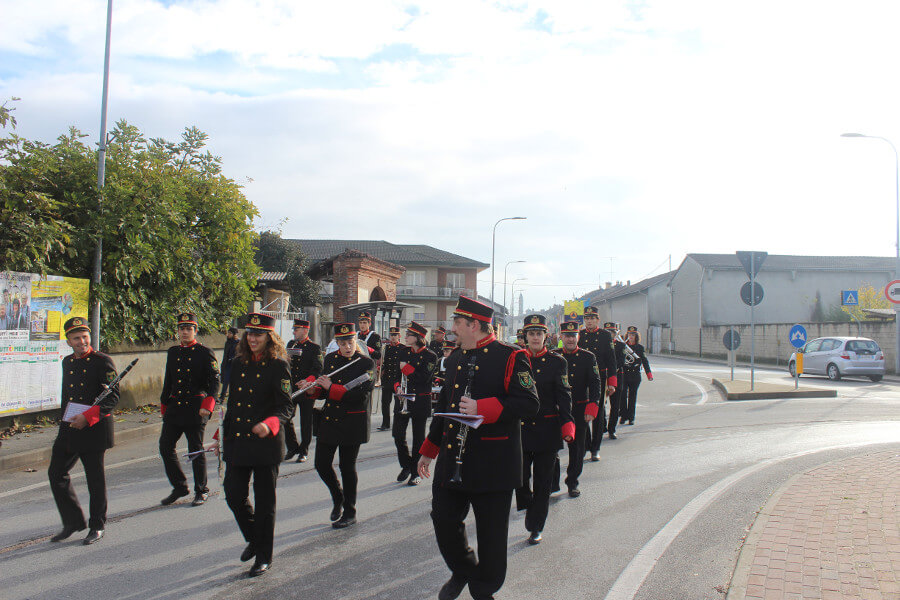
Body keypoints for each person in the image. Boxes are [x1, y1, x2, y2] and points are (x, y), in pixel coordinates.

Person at [417, 296, 539, 600]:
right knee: (444, 519)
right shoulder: (456, 357)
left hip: (493, 462)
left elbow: (529, 403)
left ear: (474, 324)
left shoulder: (511, 356)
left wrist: (483, 408)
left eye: (457, 323)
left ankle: (484, 589)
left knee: (491, 536)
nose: (452, 328)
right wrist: (428, 450)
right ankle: (464, 569)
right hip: (453, 459)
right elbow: (445, 407)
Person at [220, 312, 292, 577]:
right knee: (233, 494)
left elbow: (286, 407)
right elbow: (233, 405)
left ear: (269, 337)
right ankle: (254, 537)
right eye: (249, 333)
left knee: (265, 504)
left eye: (258, 334)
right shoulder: (238, 363)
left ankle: (264, 556)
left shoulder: (278, 366)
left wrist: (269, 424)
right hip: (238, 440)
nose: (252, 338)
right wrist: (221, 436)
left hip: (266, 443)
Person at [47, 317, 119, 546]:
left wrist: (87, 418)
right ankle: (73, 522)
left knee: (94, 480)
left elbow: (114, 397)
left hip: (94, 428)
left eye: (85, 336)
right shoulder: (67, 362)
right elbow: (66, 396)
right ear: (68, 341)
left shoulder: (102, 361)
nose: (82, 341)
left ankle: (97, 525)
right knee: (56, 473)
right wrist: (65, 422)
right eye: (76, 338)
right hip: (70, 427)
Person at [309, 322, 376, 529]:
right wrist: (312, 388)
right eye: (343, 342)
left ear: (356, 341)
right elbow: (323, 387)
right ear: (336, 343)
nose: (347, 346)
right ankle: (338, 497)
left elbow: (361, 394)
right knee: (321, 463)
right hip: (330, 419)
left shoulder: (366, 364)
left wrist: (331, 388)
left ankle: (350, 511)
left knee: (348, 467)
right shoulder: (330, 359)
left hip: (352, 420)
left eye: (350, 341)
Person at [515, 314, 574, 545]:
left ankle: (536, 526)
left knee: (543, 482)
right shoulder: (516, 359)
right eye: (531, 333)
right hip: (520, 429)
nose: (536, 337)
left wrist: (567, 425)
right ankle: (527, 504)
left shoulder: (557, 362)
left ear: (546, 336)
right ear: (525, 336)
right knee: (519, 477)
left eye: (539, 333)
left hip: (547, 430)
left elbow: (564, 394)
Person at [159, 313, 220, 507]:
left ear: (195, 331)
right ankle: (179, 486)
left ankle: (201, 490)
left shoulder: (205, 352)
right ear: (177, 331)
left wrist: (208, 405)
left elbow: (214, 381)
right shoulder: (173, 352)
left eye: (189, 329)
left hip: (195, 407)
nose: (185, 332)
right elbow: (168, 380)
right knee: (165, 447)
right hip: (175, 407)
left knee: (195, 450)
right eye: (181, 329)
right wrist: (164, 403)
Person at [555, 321, 601, 496]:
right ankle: (552, 482)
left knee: (578, 449)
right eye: (567, 336)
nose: (570, 339)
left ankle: (572, 481)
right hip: (558, 409)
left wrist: (593, 404)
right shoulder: (555, 356)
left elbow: (595, 383)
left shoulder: (588, 357)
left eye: (573, 336)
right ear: (561, 337)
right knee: (553, 448)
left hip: (579, 409)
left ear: (578, 337)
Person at [393, 321, 437, 486]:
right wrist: (397, 388)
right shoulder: (403, 352)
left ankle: (415, 473)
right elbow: (396, 376)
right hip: (403, 399)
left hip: (420, 400)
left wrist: (407, 368)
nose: (406, 337)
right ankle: (407, 465)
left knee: (418, 438)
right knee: (397, 435)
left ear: (419, 338)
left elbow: (423, 378)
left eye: (409, 335)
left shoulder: (430, 356)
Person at [578, 306, 617, 461]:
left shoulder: (605, 335)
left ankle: (595, 448)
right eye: (587, 319)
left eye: (592, 318)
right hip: (582, 378)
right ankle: (586, 443)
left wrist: (612, 383)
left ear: (597, 320)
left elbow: (612, 360)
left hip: (599, 378)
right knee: (582, 411)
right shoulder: (579, 335)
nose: (589, 321)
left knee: (599, 414)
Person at [284, 319, 324, 463]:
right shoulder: (291, 345)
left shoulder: (314, 347)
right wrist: (285, 360)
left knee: (306, 421)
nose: (294, 332)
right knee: (286, 417)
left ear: (305, 330)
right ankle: (292, 447)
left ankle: (304, 450)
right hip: (292, 388)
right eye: (294, 329)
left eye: (297, 329)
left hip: (307, 389)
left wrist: (308, 381)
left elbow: (318, 368)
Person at [620, 326, 653, 426]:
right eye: (629, 334)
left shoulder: (640, 348)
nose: (631, 337)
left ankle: (631, 418)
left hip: (635, 375)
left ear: (636, 336)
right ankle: (623, 416)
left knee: (632, 397)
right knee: (622, 396)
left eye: (633, 335)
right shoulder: (622, 346)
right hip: (624, 374)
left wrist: (649, 374)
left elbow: (645, 361)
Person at [379, 326, 406, 431]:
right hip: (387, 379)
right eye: (391, 335)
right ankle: (385, 423)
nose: (393, 337)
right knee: (385, 402)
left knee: (398, 404)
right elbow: (383, 363)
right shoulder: (385, 348)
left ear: (399, 336)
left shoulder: (403, 348)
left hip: (397, 379)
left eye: (395, 335)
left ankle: (397, 423)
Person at [604, 322, 626, 440]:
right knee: (601, 404)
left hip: (617, 376)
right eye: (607, 332)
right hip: (603, 377)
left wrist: (611, 369)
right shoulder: (601, 345)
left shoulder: (621, 346)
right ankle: (602, 425)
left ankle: (612, 429)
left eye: (611, 332)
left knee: (615, 405)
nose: (609, 334)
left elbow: (622, 361)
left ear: (615, 333)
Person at [220, 327, 239, 400]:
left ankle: (232, 397)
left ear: (234, 334)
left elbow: (239, 353)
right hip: (227, 364)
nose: (228, 334)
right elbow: (225, 354)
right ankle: (222, 397)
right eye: (228, 333)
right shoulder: (227, 342)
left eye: (230, 333)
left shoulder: (238, 342)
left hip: (234, 365)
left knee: (233, 382)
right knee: (225, 381)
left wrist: (233, 359)